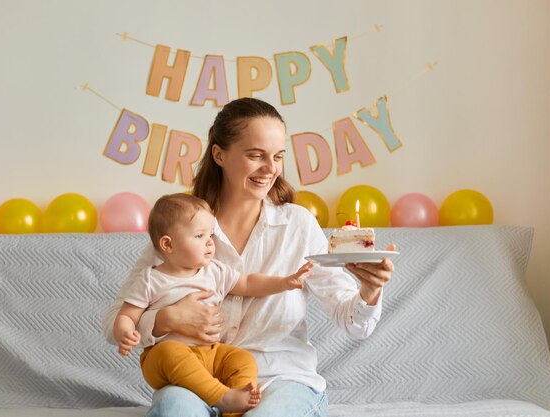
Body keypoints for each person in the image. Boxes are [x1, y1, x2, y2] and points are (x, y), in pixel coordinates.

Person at [102, 97, 395, 417]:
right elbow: (113, 322)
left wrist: (370, 290)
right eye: (256, 155)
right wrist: (164, 320)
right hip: (198, 380)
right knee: (174, 409)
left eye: (278, 157)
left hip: (280, 379)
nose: (270, 169)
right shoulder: (183, 228)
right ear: (219, 154)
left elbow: (354, 323)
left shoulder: (297, 225)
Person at [112, 193, 313, 415]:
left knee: (242, 359)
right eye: (199, 236)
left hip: (211, 353)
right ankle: (221, 396)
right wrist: (125, 332)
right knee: (170, 351)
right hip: (163, 360)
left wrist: (284, 282)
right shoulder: (151, 279)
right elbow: (127, 315)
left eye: (211, 235)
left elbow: (247, 283)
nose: (210, 242)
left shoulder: (213, 271)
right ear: (168, 244)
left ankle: (236, 407)